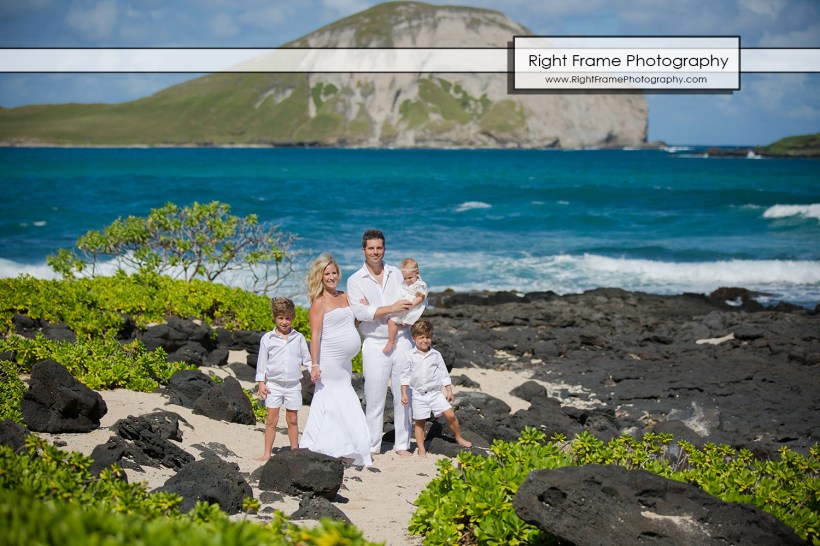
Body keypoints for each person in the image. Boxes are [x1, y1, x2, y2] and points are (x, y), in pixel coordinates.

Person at [299, 253, 373, 467]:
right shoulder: (319, 302)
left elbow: (354, 322)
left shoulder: (346, 296)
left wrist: (364, 306)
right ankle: (334, 446)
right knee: (335, 399)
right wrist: (314, 364)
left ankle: (350, 445)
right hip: (329, 359)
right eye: (327, 274)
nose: (331, 277)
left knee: (342, 398)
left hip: (345, 362)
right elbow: (315, 336)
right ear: (320, 277)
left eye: (334, 273)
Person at [347, 229, 416, 457]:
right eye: (371, 248)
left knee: (403, 395)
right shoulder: (355, 280)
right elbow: (359, 311)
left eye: (379, 248)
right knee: (374, 396)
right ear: (363, 250)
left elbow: (413, 297)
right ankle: (373, 444)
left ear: (384, 249)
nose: (375, 252)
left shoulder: (397, 273)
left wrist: (377, 310)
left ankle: (402, 445)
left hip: (403, 341)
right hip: (374, 343)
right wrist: (390, 308)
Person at [400, 320, 472, 458]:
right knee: (420, 422)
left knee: (450, 414)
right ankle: (421, 448)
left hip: (435, 393)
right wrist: (404, 394)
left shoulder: (436, 355)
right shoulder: (409, 355)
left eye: (428, 337)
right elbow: (404, 376)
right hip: (418, 395)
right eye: (421, 337)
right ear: (414, 338)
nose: (425, 340)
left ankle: (458, 437)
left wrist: (449, 390)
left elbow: (443, 373)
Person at [254, 297, 312, 461]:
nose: (284, 322)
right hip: (273, 385)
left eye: (288, 318)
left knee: (292, 419)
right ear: (275, 317)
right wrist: (261, 383)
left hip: (293, 385)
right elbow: (262, 363)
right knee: (271, 420)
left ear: (293, 318)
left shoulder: (298, 338)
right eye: (281, 318)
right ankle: (267, 453)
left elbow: (306, 359)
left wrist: (313, 370)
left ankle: (295, 451)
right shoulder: (268, 338)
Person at [382, 257, 428, 355]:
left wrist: (413, 304)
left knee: (391, 322)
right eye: (405, 278)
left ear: (417, 273)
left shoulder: (420, 285)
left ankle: (391, 341)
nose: (407, 280)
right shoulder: (406, 283)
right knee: (398, 321)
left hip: (411, 307)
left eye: (410, 278)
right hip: (404, 305)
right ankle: (403, 323)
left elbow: (421, 297)